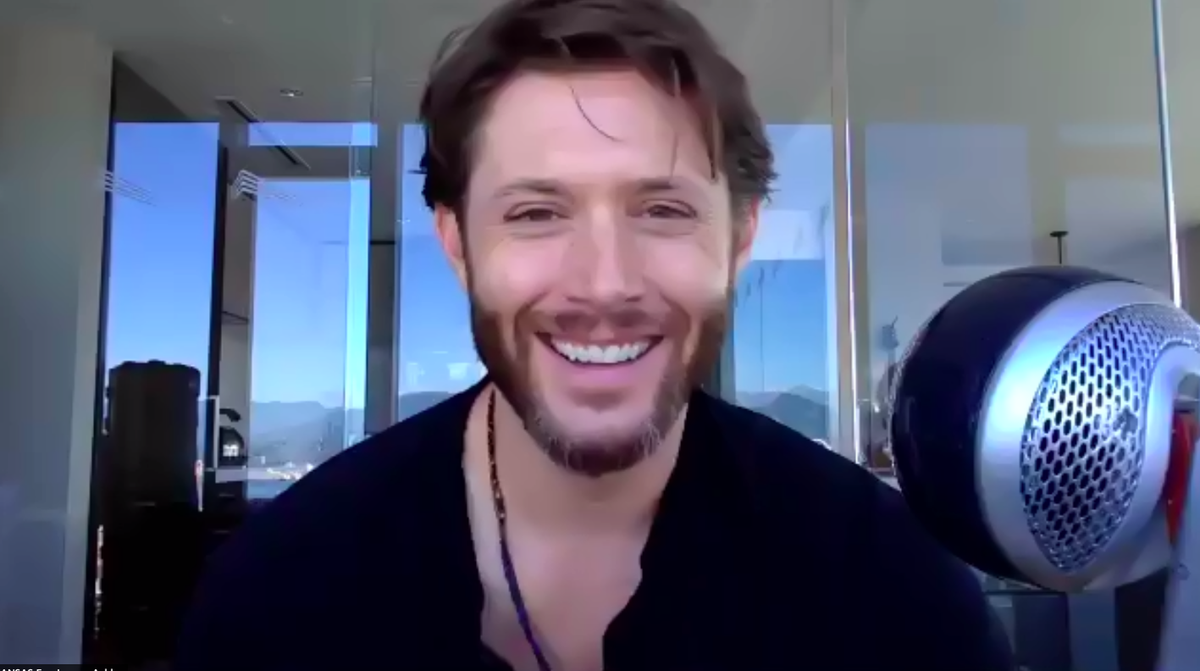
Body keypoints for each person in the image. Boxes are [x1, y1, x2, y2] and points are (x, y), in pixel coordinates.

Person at [176, 0, 1014, 669]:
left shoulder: (890, 590)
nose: (605, 283)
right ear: (458, 245)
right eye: (537, 213)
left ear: (740, 239)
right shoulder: (283, 591)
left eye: (663, 209)